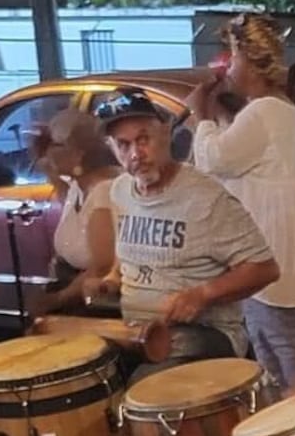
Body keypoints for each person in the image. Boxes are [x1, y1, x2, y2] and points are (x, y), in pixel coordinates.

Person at [183, 15, 295, 399]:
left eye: (233, 55)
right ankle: (292, 414)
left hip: (276, 234)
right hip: (284, 228)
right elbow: (241, 154)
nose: (227, 64)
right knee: (272, 334)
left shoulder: (264, 111)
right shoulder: (277, 109)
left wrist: (198, 115)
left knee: (281, 335)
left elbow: (214, 159)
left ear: (251, 60)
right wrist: (219, 115)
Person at [94, 90, 280, 371]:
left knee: (144, 389)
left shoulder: (206, 199)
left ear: (166, 134)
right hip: (137, 332)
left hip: (203, 333)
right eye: (123, 144)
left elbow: (265, 268)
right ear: (113, 149)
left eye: (143, 139)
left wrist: (203, 294)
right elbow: (131, 252)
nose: (136, 154)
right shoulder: (120, 191)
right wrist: (111, 278)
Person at [24, 108, 121, 313]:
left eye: (55, 145)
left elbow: (102, 266)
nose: (48, 151)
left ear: (78, 154)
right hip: (71, 293)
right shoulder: (78, 187)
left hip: (93, 302)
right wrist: (43, 159)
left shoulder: (105, 191)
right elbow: (63, 192)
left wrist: (58, 299)